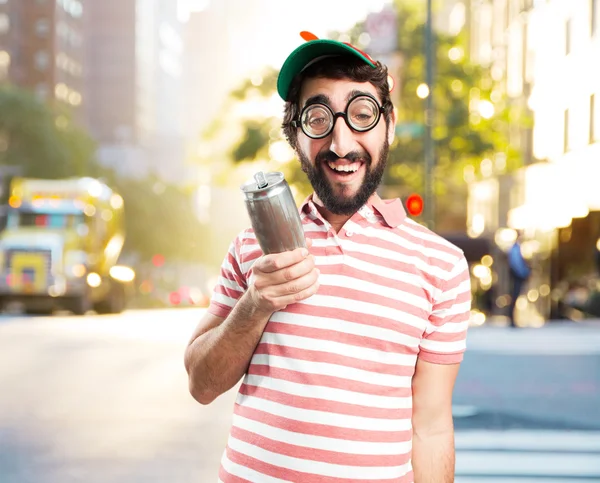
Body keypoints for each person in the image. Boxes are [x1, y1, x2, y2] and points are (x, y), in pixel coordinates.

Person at [184, 31, 472, 483]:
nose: (341, 144)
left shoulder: (442, 265)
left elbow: (431, 427)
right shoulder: (250, 247)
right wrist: (256, 303)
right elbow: (201, 384)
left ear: (389, 126)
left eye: (362, 115)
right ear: (296, 136)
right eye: (318, 120)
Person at [507, 232, 531, 327]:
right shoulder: (515, 249)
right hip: (517, 276)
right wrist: (524, 273)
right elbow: (516, 264)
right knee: (514, 297)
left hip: (517, 275)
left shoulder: (516, 248)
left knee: (514, 297)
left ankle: (512, 319)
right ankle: (512, 320)